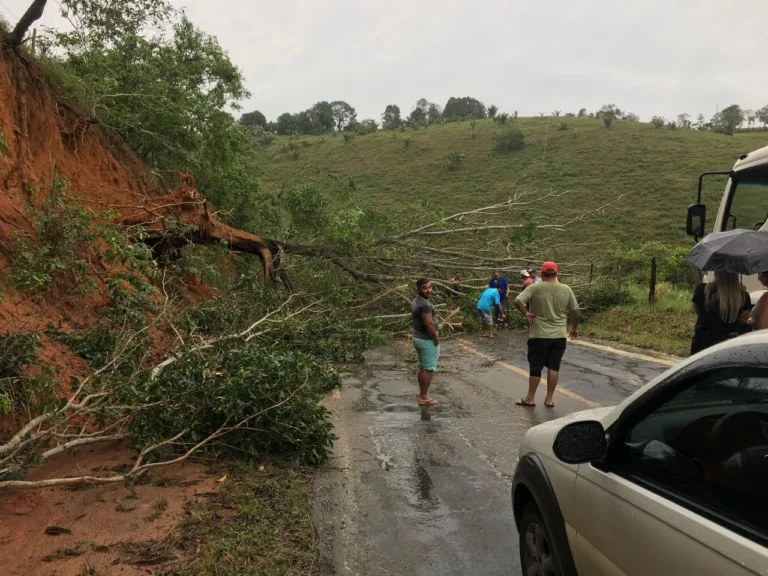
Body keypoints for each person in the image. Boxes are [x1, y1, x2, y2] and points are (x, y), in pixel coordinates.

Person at [514, 261, 579, 408]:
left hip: (539, 335)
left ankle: (530, 398)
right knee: (554, 366)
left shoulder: (534, 288)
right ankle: (549, 399)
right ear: (556, 273)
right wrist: (574, 328)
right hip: (559, 335)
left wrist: (527, 314)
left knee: (536, 367)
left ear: (541, 274)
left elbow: (517, 301)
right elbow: (574, 311)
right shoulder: (566, 289)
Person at [690, 272, 752, 355]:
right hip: (728, 343)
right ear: (735, 275)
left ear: (716, 273)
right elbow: (744, 319)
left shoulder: (701, 289)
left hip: (702, 340)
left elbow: (698, 311)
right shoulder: (743, 295)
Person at [412, 278, 440, 405]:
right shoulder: (424, 304)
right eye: (425, 288)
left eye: (429, 287)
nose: (428, 290)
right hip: (426, 339)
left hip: (418, 338)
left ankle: (422, 394)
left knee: (423, 367)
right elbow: (428, 323)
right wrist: (435, 338)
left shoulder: (417, 300)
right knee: (429, 369)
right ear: (418, 289)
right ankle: (423, 397)